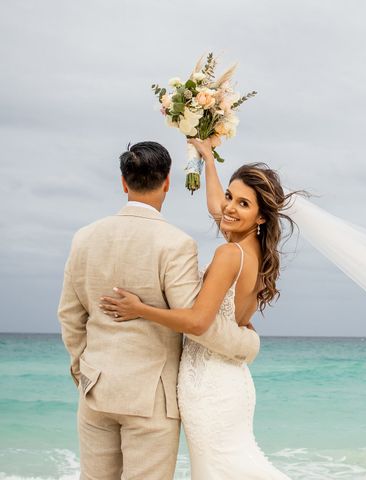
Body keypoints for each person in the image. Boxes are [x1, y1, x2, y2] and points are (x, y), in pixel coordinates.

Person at [99, 136, 303, 479]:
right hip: (230, 381)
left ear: (261, 218)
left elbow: (196, 322)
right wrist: (208, 159)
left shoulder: (229, 254)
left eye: (243, 204)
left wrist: (140, 309)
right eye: (229, 196)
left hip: (208, 383)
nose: (229, 208)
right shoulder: (254, 252)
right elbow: (216, 208)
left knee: (218, 469)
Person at [58, 141, 259, 480]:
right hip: (153, 398)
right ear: (168, 182)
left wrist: (84, 372)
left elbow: (70, 316)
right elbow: (197, 321)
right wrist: (247, 343)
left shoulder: (84, 237)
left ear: (123, 183)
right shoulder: (176, 244)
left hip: (95, 389)